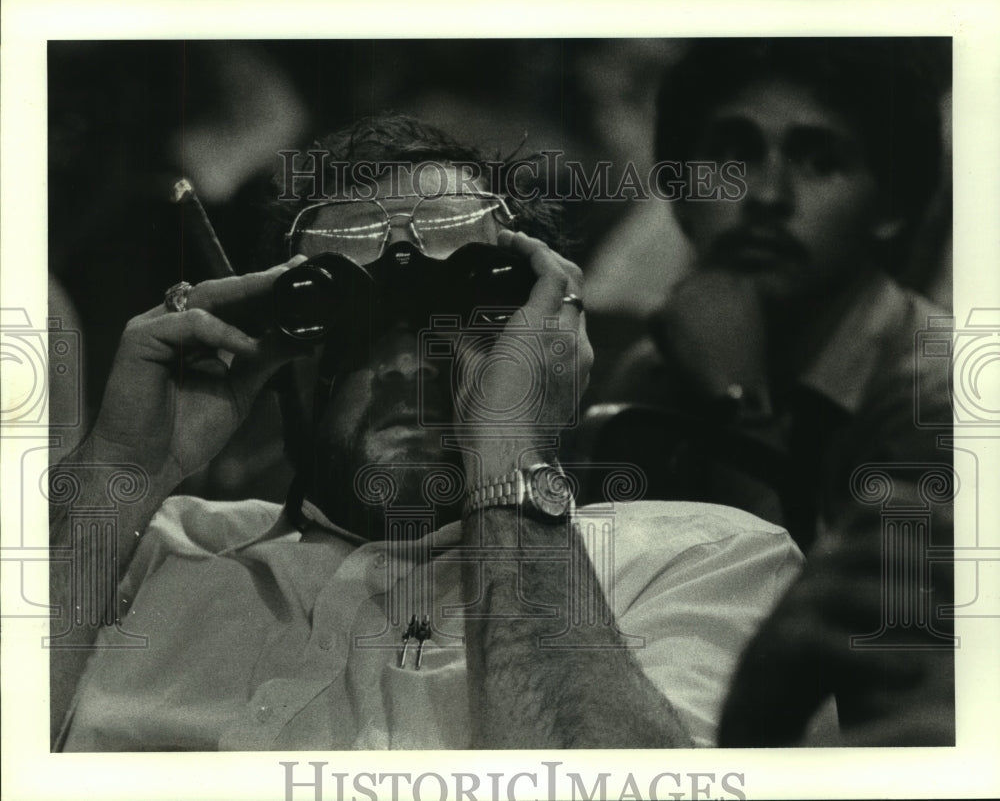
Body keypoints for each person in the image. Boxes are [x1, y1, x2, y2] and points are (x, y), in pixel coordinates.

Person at [48, 116, 803, 751]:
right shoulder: (136, 555)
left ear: (544, 336)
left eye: (466, 300)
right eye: (352, 311)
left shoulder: (705, 563)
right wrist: (120, 474)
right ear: (289, 346)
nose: (411, 357)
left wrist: (508, 451)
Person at [600, 38, 955, 745]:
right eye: (733, 158)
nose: (765, 197)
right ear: (679, 196)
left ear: (889, 208)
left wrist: (738, 403)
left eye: (820, 161)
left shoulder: (941, 394)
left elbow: (832, 680)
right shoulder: (651, 376)